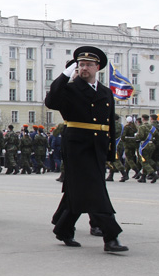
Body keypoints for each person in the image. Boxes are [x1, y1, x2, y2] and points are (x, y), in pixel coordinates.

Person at [44, 46, 127, 253]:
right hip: (76, 146)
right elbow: (51, 101)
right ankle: (111, 236)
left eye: (89, 65)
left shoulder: (106, 92)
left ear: (97, 67)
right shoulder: (70, 89)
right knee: (95, 191)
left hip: (97, 147)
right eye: (80, 65)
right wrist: (65, 74)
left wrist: (110, 152)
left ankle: (63, 228)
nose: (84, 68)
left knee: (78, 190)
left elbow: (109, 124)